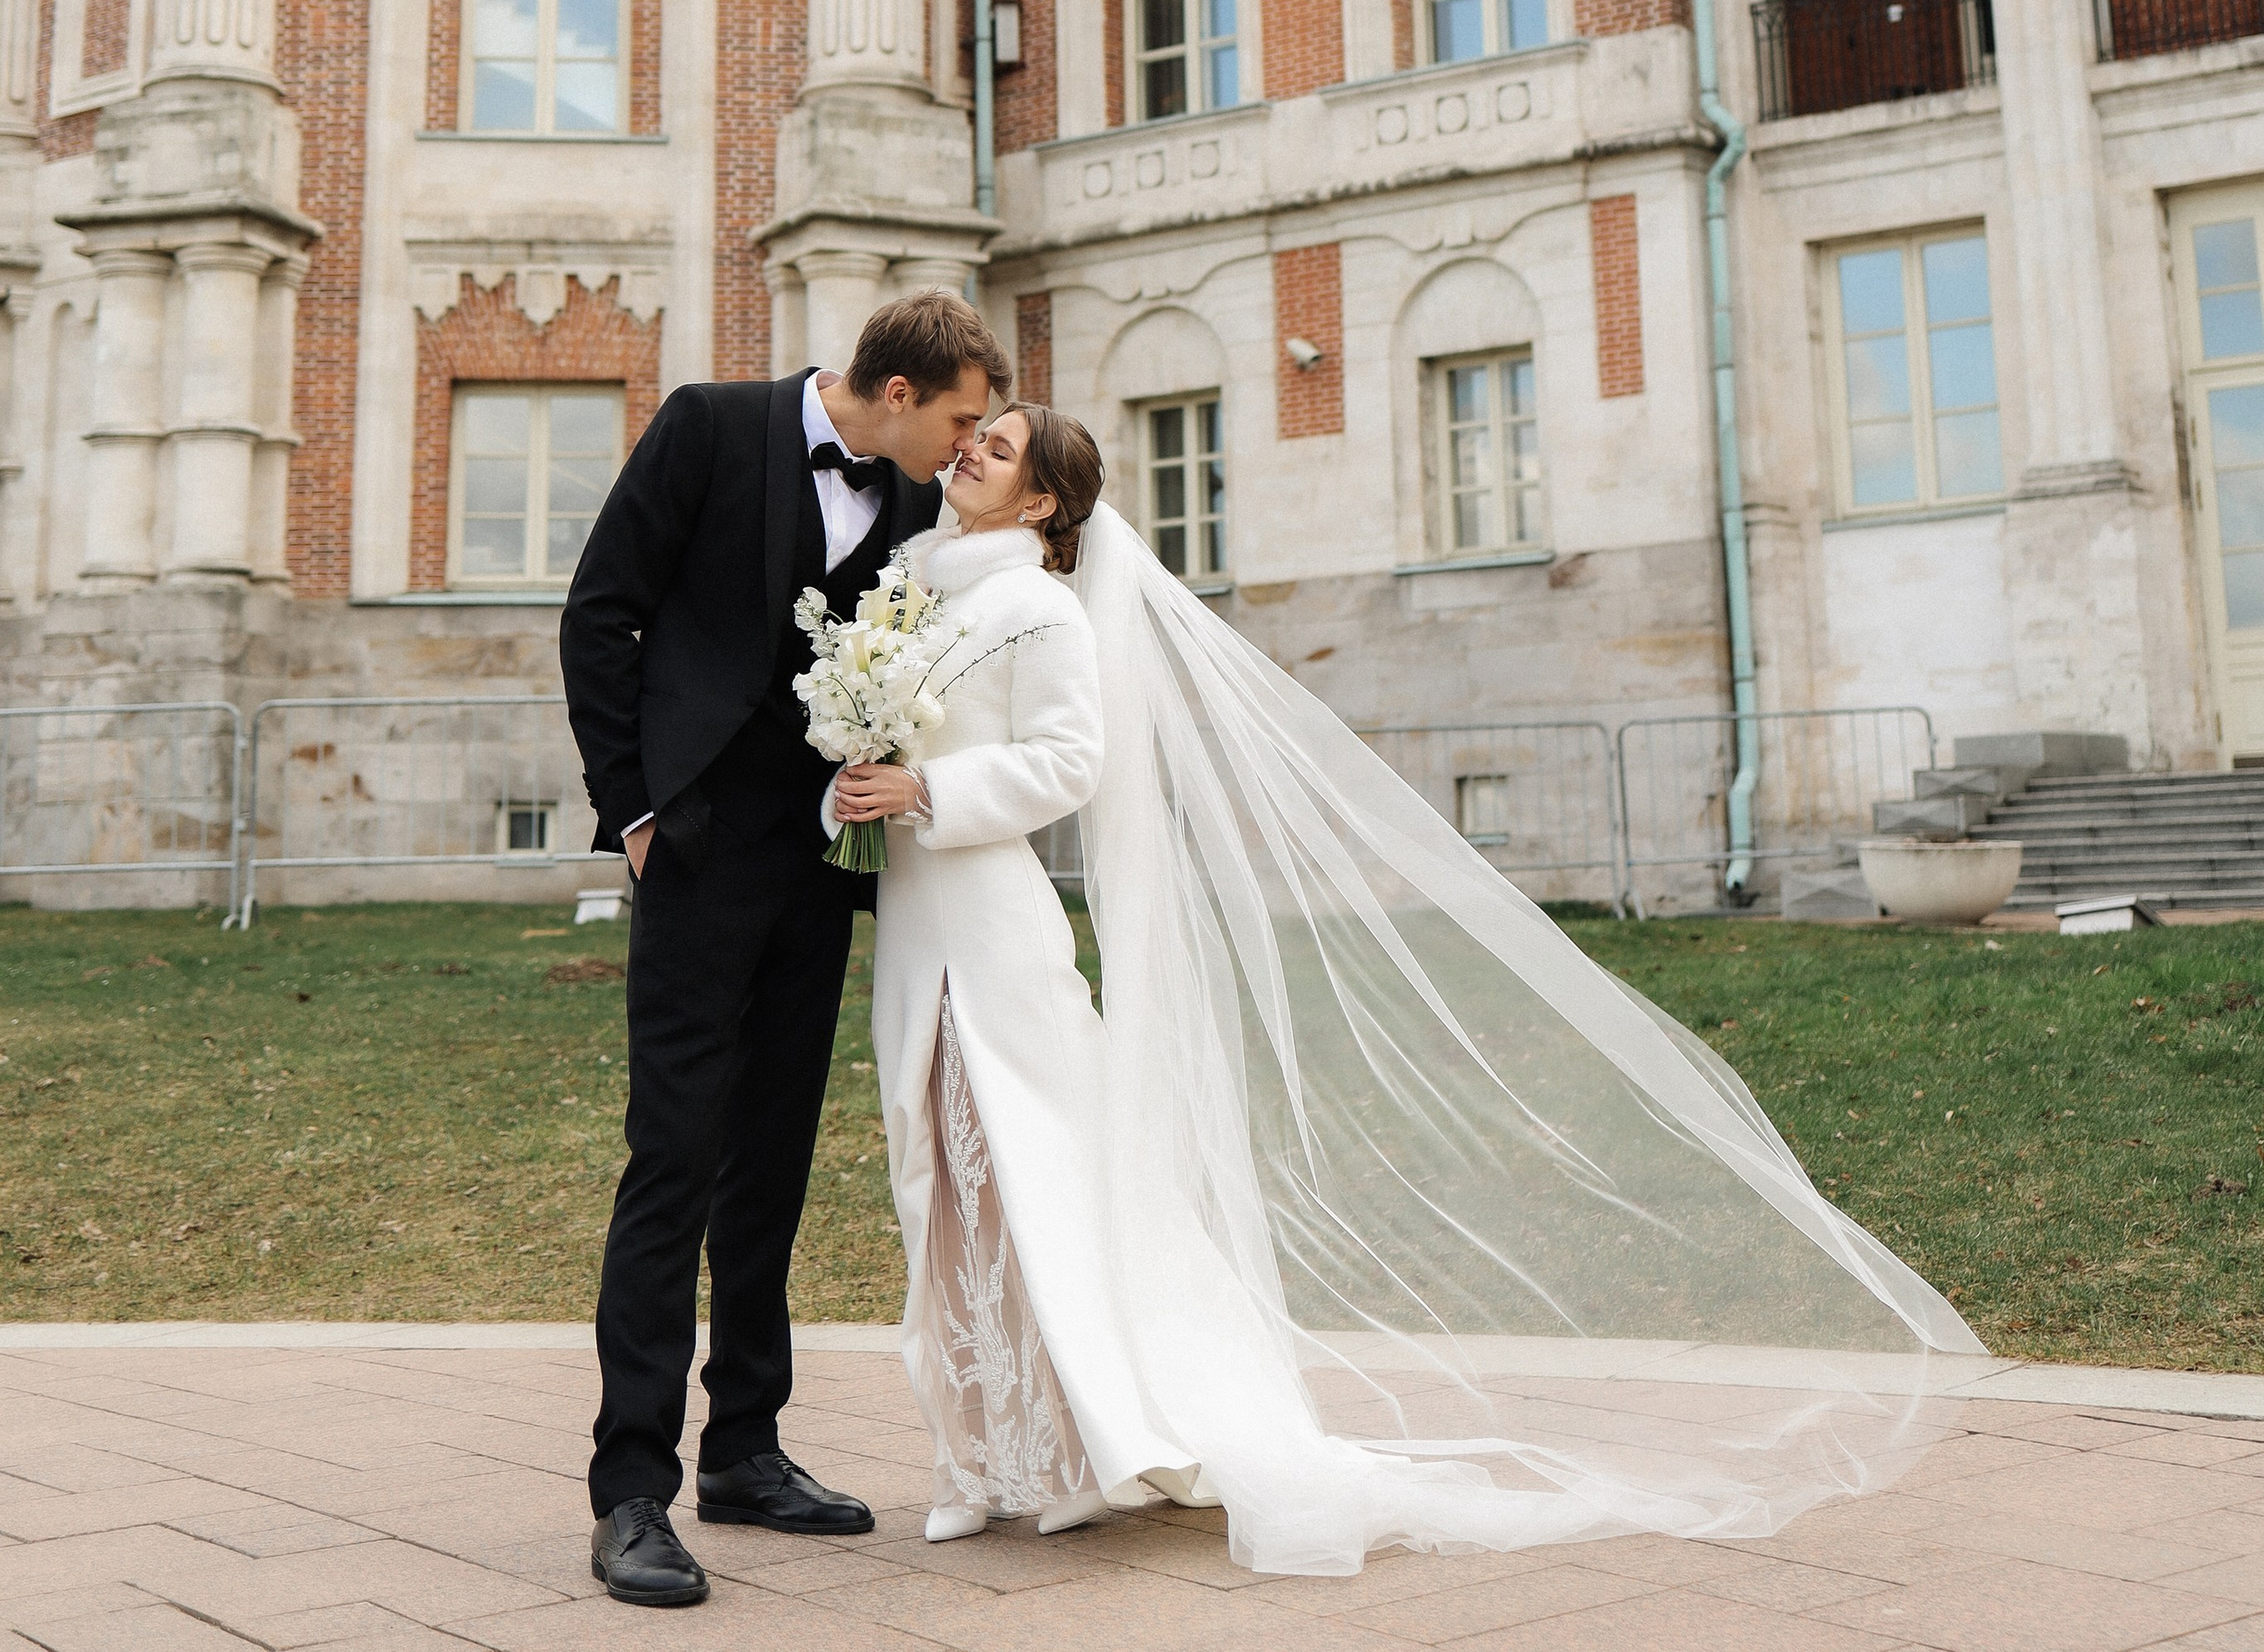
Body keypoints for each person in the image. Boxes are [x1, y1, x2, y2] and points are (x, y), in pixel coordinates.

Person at [833, 405, 1985, 1582]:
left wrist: (926, 790)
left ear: (1038, 503)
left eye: (1002, 445)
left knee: (1028, 1176)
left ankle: (1088, 1446)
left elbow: (1072, 762)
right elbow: (877, 738)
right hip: (919, 931)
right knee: (939, 1187)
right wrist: (851, 780)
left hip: (999, 937)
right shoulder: (911, 591)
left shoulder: (1039, 607)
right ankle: (975, 1453)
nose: (971, 445)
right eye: (974, 435)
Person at [559, 287, 1012, 1608]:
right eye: (963, 419)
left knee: (774, 1161)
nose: (969, 444)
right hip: (693, 856)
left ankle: (744, 1445)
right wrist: (633, 811)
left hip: (822, 867)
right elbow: (603, 611)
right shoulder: (709, 426)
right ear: (896, 394)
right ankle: (630, 1487)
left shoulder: (922, 505)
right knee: (675, 1157)